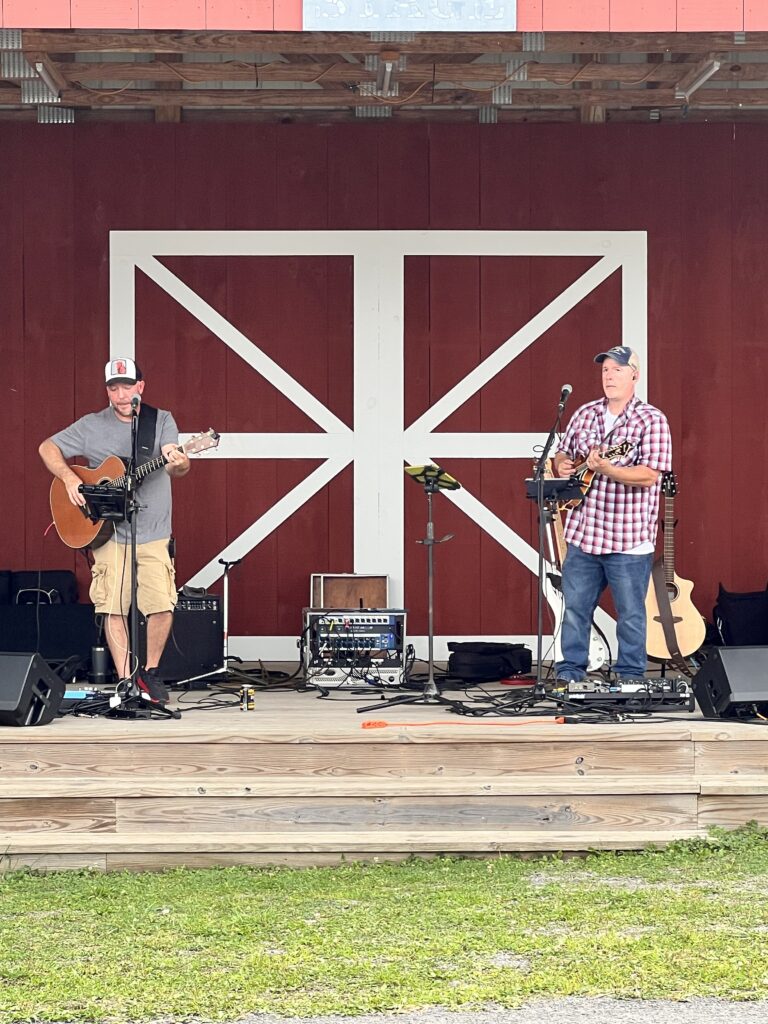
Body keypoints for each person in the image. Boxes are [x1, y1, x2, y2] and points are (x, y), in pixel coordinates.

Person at [39, 357, 190, 704]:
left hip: (153, 530)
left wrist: (181, 460)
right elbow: (47, 447)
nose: (121, 394)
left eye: (127, 385)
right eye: (114, 387)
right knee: (112, 606)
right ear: (107, 390)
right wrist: (69, 477)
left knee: (160, 603)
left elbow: (174, 462)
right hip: (108, 532)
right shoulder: (91, 425)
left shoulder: (160, 420)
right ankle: (126, 681)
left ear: (141, 386)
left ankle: (149, 674)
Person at [553, 346, 672, 683]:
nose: (609, 376)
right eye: (605, 370)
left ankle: (631, 676)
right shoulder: (585, 412)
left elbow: (650, 475)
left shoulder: (651, 420)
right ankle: (569, 673)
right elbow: (565, 452)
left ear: (635, 375)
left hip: (628, 537)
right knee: (575, 610)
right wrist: (561, 463)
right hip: (584, 533)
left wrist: (608, 469)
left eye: (618, 370)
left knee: (631, 614)